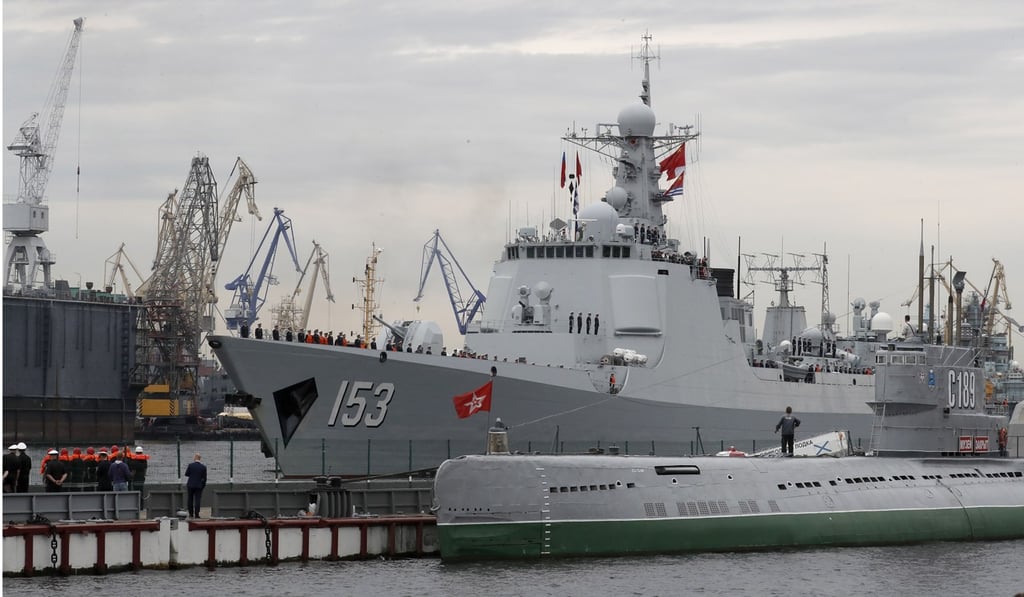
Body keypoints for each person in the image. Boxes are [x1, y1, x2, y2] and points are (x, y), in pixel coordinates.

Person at [185, 453, 207, 518]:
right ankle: (197, 514)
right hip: (199, 485)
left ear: (195, 458)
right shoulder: (203, 467)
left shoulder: (190, 465)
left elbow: (186, 474)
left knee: (190, 499)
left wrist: (192, 475)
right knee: (197, 500)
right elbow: (204, 478)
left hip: (190, 484)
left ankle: (191, 514)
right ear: (200, 458)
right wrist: (203, 486)